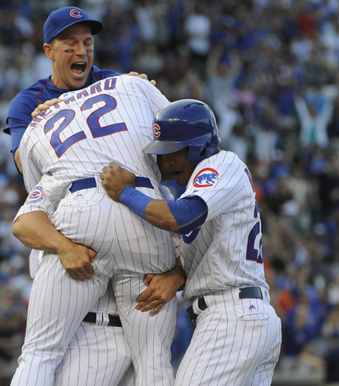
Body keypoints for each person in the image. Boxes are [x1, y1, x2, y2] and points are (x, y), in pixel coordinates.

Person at [10, 75, 185, 386]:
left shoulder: (40, 121)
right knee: (154, 360)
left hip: (81, 207)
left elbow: (30, 206)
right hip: (146, 206)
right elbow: (182, 129)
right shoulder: (130, 85)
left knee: (39, 353)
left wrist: (64, 245)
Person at [100, 99, 282, 385]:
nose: (168, 160)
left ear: (200, 146)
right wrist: (179, 275)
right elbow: (212, 246)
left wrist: (125, 192)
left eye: (176, 151)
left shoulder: (220, 164)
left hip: (231, 317)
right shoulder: (197, 188)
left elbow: (182, 217)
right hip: (242, 315)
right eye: (164, 153)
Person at [5, 6, 121, 173]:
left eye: (87, 43)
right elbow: (23, 165)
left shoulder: (113, 82)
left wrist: (141, 88)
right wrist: (38, 128)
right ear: (49, 51)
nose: (82, 51)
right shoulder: (28, 101)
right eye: (71, 44)